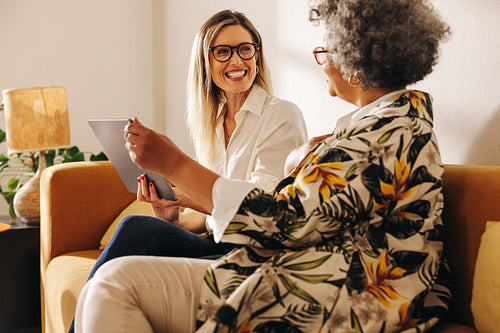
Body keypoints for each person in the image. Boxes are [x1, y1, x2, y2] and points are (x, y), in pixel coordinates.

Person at [74, 0, 452, 332]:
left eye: (327, 52)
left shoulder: (386, 133)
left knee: (115, 282)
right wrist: (177, 208)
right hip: (312, 274)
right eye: (222, 52)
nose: (321, 65)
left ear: (357, 64)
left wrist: (175, 163)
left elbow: (284, 220)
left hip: (337, 294)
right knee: (112, 279)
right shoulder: (383, 128)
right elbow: (314, 212)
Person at [67, 9, 307, 333]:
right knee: (142, 228)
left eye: (245, 48)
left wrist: (182, 184)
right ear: (206, 63)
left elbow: (259, 206)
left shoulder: (281, 115)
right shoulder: (214, 123)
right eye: (222, 52)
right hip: (218, 243)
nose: (237, 61)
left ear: (257, 53)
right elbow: (212, 218)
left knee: (136, 229)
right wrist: (173, 215)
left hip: (251, 251)